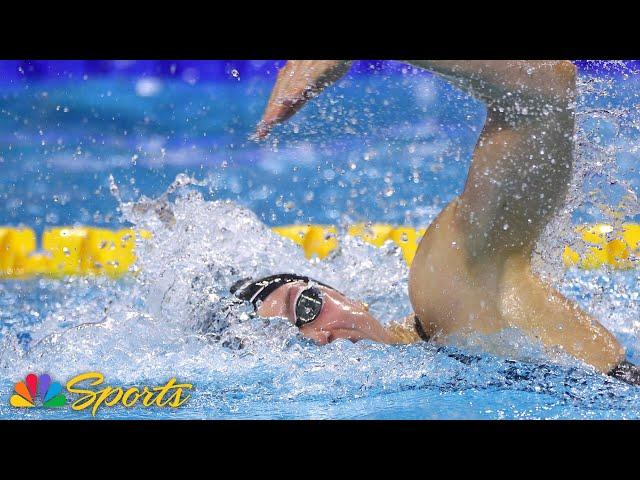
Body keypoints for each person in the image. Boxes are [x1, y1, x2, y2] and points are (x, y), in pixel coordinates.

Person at [231, 60, 639, 385]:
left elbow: (542, 88)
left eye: (306, 306)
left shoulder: (449, 293)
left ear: (348, 297)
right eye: (291, 346)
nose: (318, 338)